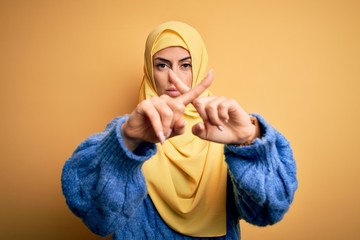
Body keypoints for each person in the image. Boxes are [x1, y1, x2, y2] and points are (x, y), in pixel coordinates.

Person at [61, 21, 297, 240]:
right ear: (149, 71)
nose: (173, 78)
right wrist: (126, 143)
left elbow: (269, 211)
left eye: (186, 65)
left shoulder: (228, 130)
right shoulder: (128, 132)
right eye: (161, 65)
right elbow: (98, 218)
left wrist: (249, 143)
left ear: (201, 67)